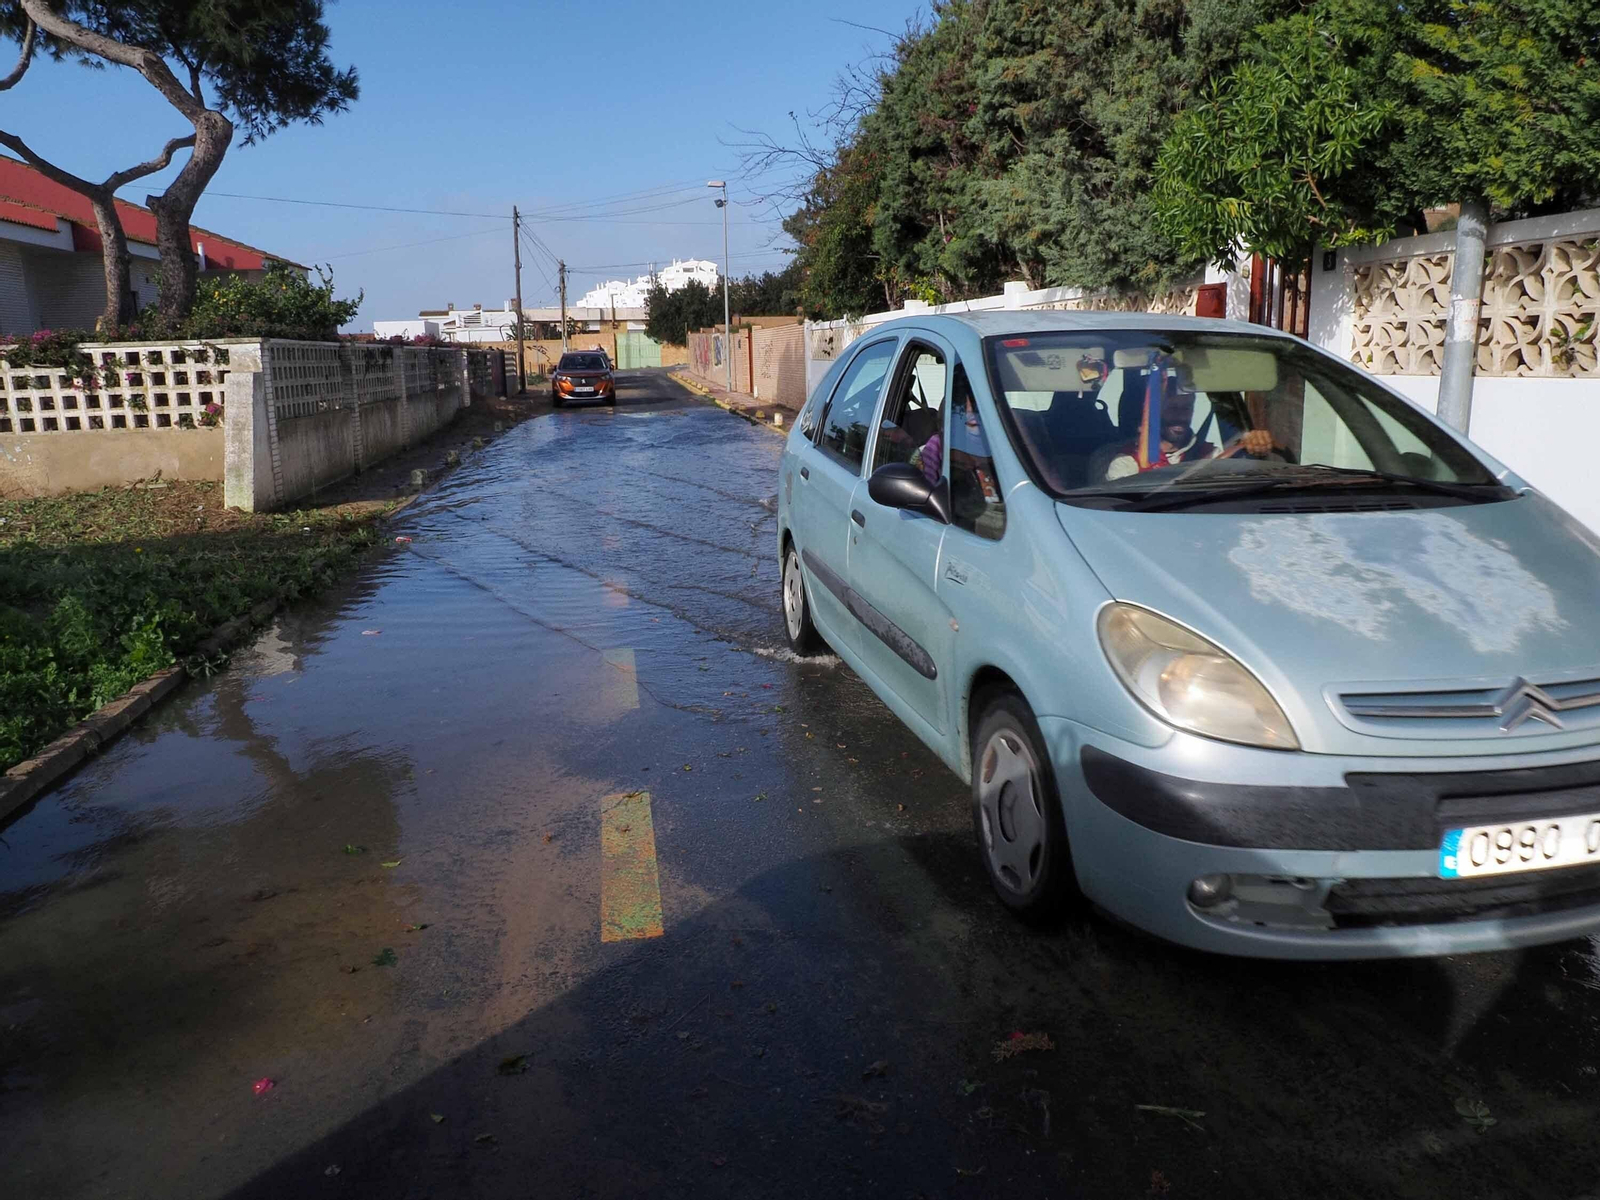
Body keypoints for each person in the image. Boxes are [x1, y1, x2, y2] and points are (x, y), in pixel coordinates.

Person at [1103, 376, 1273, 480]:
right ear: (1153, 413)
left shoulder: (1209, 454)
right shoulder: (1127, 463)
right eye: (1172, 409)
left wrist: (1255, 444)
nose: (1181, 416)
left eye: (1187, 408)